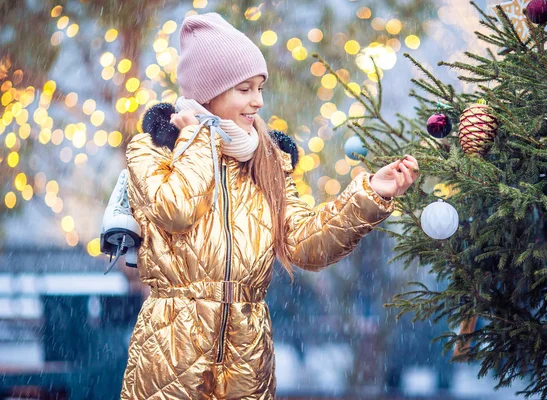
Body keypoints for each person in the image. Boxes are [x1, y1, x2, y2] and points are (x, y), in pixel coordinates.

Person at [120, 12, 419, 400]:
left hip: (248, 353)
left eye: (259, 88)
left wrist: (369, 195)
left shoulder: (268, 160)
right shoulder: (154, 147)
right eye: (244, 89)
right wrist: (195, 136)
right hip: (171, 347)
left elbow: (305, 245)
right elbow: (175, 210)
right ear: (210, 91)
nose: (258, 101)